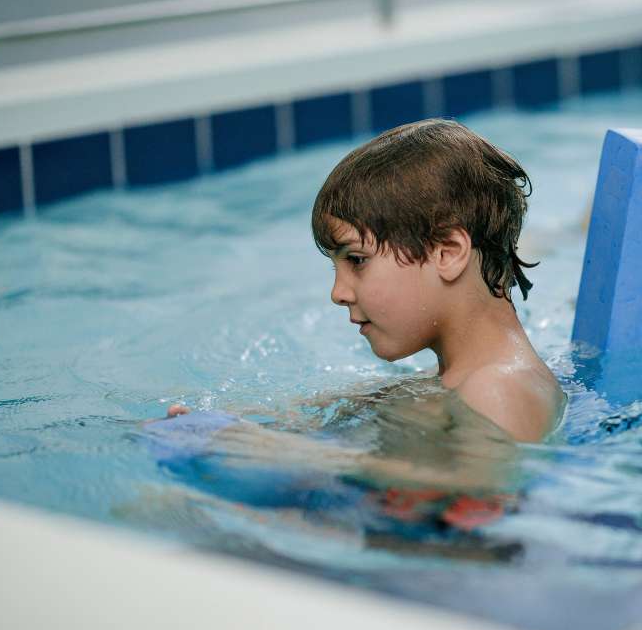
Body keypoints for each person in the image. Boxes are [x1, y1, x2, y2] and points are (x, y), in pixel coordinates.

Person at [166, 118, 564, 446]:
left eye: (357, 261)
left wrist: (279, 453)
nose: (338, 293)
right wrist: (235, 424)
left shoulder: (498, 390)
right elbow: (333, 410)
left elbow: (479, 491)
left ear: (447, 252)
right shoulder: (447, 379)